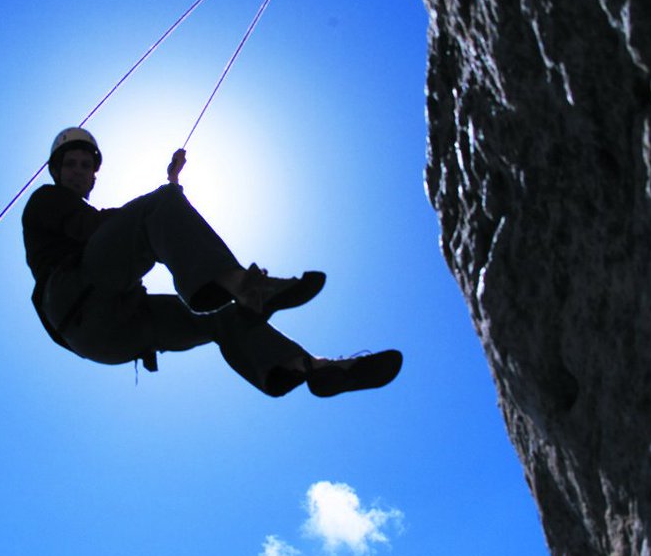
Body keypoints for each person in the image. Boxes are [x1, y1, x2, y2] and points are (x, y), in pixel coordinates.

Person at [21, 126, 402, 397]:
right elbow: (103, 227)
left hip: (112, 335)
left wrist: (169, 189)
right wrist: (167, 195)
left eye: (85, 166)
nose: (78, 171)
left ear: (94, 177)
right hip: (72, 296)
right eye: (70, 164)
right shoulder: (46, 201)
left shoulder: (95, 219)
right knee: (162, 204)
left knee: (225, 318)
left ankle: (307, 366)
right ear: (56, 170)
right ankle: (244, 285)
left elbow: (130, 223)